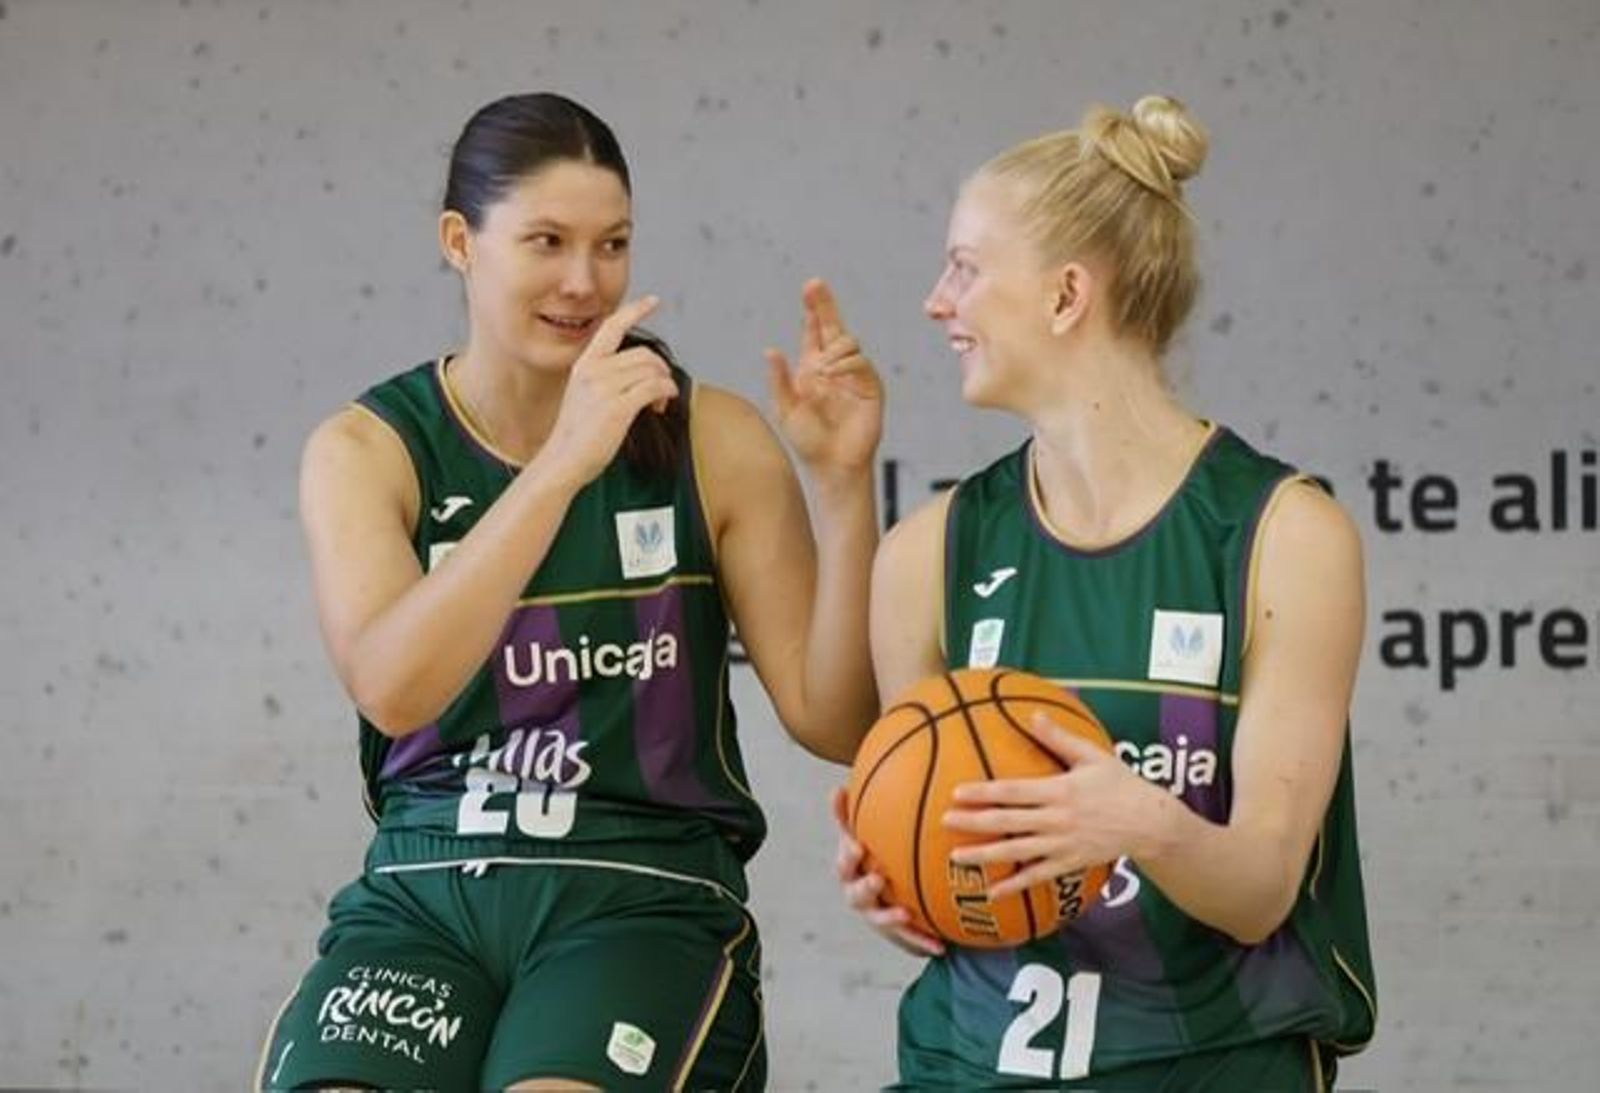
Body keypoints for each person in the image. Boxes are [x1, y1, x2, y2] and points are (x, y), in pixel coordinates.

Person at [256, 92, 882, 1091]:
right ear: (461, 242)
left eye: (613, 244)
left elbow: (837, 718)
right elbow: (393, 686)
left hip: (638, 890)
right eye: (546, 241)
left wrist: (846, 488)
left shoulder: (711, 439)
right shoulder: (365, 448)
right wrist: (560, 466)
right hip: (426, 891)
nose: (584, 282)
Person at [836, 94, 1376, 1090]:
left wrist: (1141, 819)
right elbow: (966, 875)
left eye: (963, 265)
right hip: (967, 1062)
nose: (934, 301)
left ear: (1063, 295)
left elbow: (1261, 888)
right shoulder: (927, 550)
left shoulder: (1285, 536)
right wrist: (911, 889)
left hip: (1204, 1066)